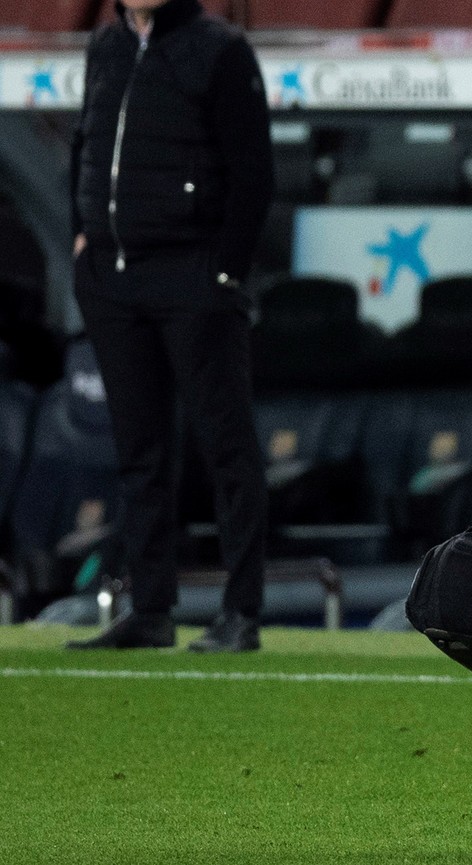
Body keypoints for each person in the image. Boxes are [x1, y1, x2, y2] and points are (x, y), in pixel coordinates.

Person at [67, 0, 273, 653]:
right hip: (113, 279)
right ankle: (151, 606)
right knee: (139, 452)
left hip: (194, 278)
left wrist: (224, 274)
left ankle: (241, 611)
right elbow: (85, 145)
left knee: (226, 447)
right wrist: (83, 241)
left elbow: (254, 173)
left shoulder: (221, 50)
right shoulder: (105, 48)